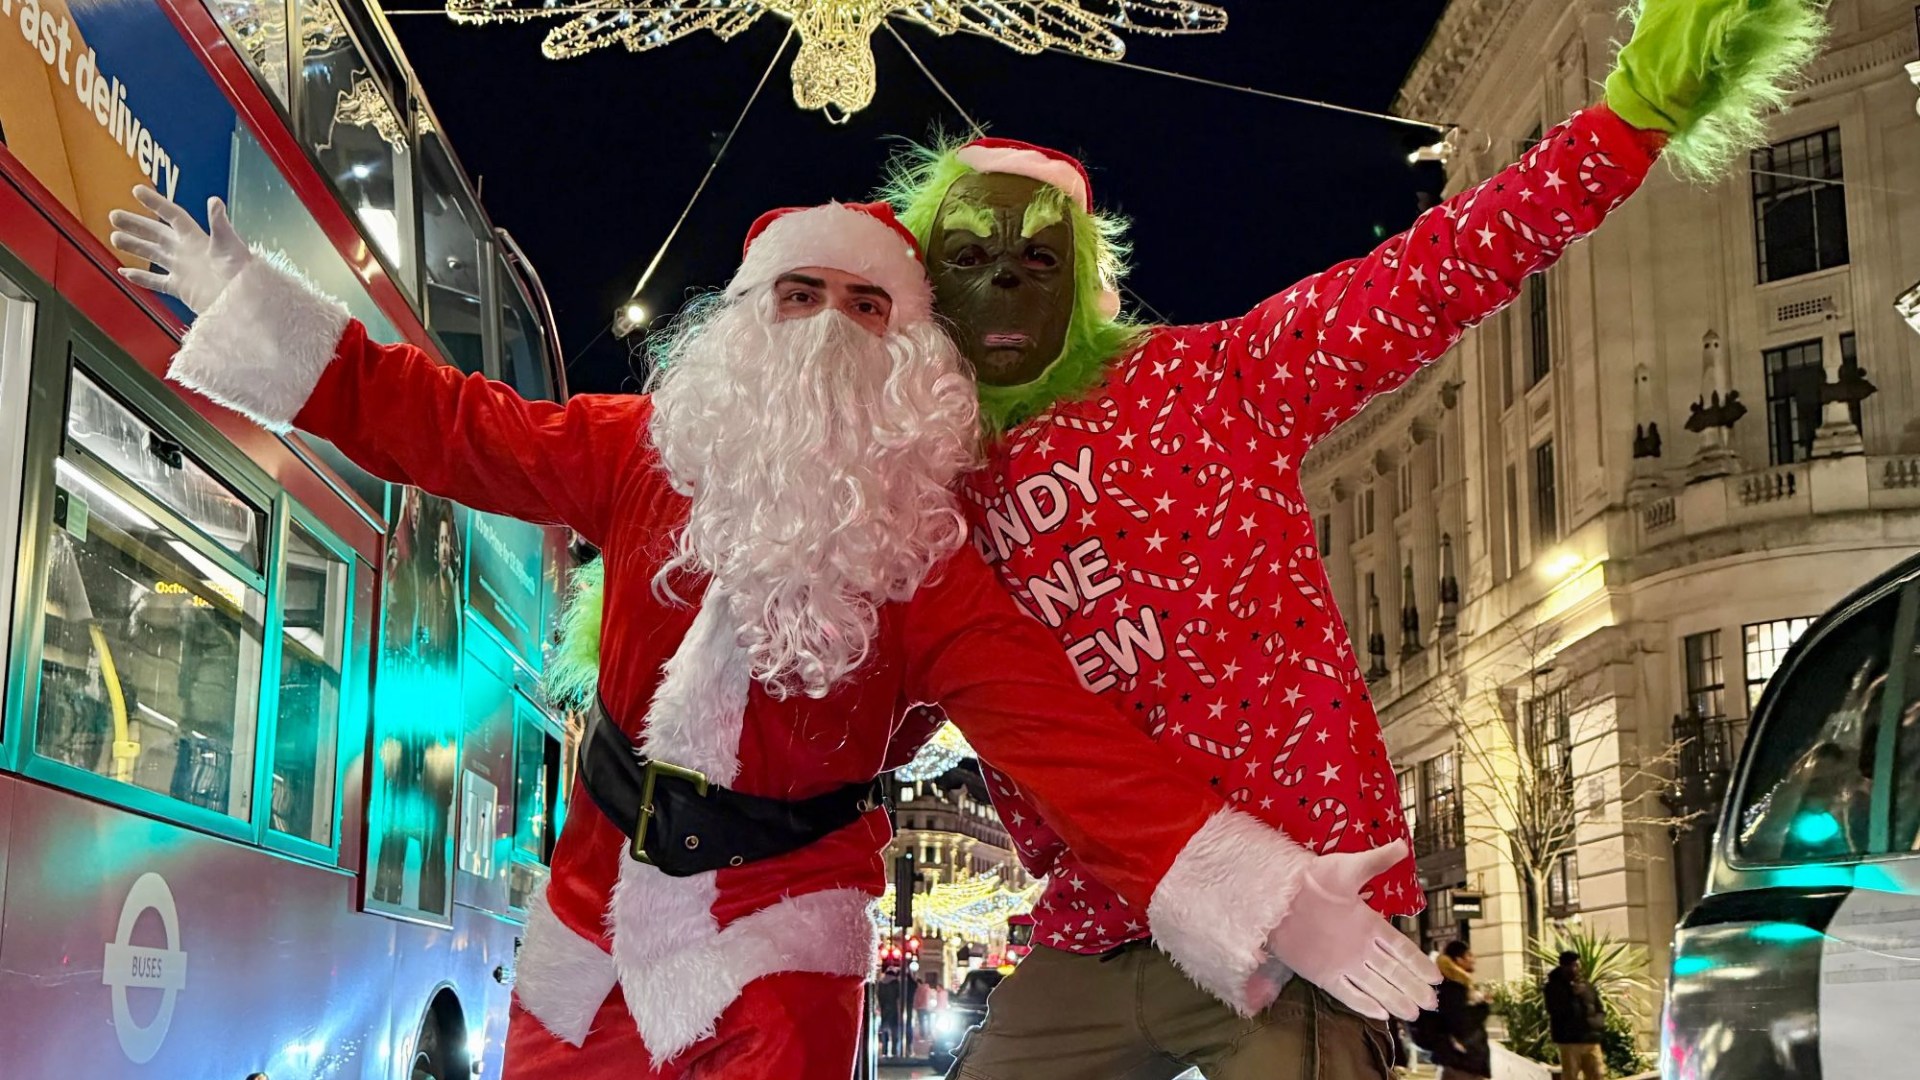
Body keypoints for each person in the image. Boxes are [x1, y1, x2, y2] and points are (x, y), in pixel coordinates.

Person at [107, 193, 1433, 1079]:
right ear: (748, 317)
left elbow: (1078, 751)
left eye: (871, 308)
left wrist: (1273, 900)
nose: (831, 331)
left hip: (793, 920)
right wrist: (265, 314)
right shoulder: (638, 454)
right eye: (802, 295)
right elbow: (449, 424)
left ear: (918, 352)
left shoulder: (930, 567)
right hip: (598, 893)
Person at [869, 1, 1826, 1076]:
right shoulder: (927, 492)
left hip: (1292, 910)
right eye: (970, 255)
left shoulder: (1208, 385)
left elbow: (1427, 276)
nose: (1002, 280)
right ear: (925, 287)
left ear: (1086, 278)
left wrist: (1624, 127)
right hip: (1095, 923)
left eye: (1038, 262)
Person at [1543, 950, 1607, 1080]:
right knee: (1571, 1075)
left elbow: (1599, 1008)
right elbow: (1556, 1011)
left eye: (1576, 965)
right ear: (1563, 967)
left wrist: (1597, 1025)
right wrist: (1573, 995)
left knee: (1598, 1074)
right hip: (1569, 1041)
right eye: (1571, 966)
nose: (1574, 969)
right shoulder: (1553, 987)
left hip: (1591, 1040)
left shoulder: (1587, 986)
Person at [1430, 942, 1490, 1080]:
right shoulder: (1453, 990)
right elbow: (1461, 1024)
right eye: (1469, 955)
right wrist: (1482, 1007)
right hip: (1461, 1064)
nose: (1473, 959)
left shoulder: (1449, 987)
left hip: (1460, 1063)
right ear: (1458, 960)